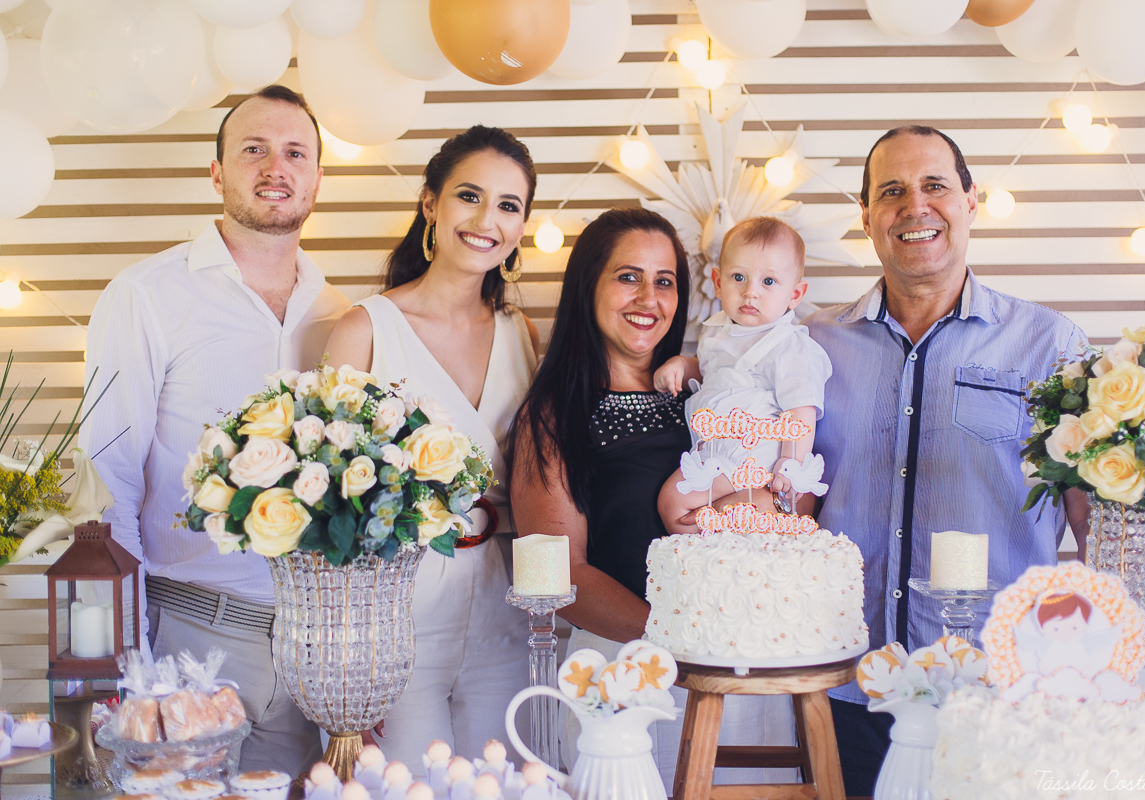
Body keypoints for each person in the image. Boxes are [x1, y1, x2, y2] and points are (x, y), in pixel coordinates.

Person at [797, 125, 1090, 795]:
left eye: (935, 186)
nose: (915, 206)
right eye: (892, 191)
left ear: (971, 201)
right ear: (866, 216)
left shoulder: (1052, 347)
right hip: (846, 687)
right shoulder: (811, 346)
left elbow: (1098, 529)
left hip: (1002, 690)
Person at [81, 85, 347, 774]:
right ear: (217, 171)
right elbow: (106, 479)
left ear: (317, 177)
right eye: (252, 149)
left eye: (295, 153)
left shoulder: (344, 314)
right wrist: (131, 652)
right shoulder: (147, 295)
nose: (275, 167)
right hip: (192, 634)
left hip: (311, 655)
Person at [509, 209, 795, 786]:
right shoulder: (556, 414)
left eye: (665, 280)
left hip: (747, 664)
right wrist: (677, 649)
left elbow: (782, 490)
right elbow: (562, 574)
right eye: (627, 276)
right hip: (628, 670)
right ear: (587, 285)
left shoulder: (709, 392)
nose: (649, 297)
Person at [323, 125, 539, 771]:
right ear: (430, 205)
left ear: (523, 226)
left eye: (508, 205)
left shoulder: (521, 332)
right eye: (469, 196)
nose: (485, 220)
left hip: (507, 605)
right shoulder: (365, 328)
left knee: (509, 782)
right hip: (399, 618)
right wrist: (346, 676)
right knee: (407, 784)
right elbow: (331, 514)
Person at [653, 216, 831, 533]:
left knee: (673, 502)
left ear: (795, 294)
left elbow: (801, 410)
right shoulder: (716, 335)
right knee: (688, 508)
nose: (751, 292)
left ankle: (720, 553)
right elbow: (709, 371)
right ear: (718, 281)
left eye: (768, 282)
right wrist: (682, 364)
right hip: (719, 451)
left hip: (754, 454)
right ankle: (724, 558)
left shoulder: (790, 346)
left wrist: (790, 466)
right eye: (739, 277)